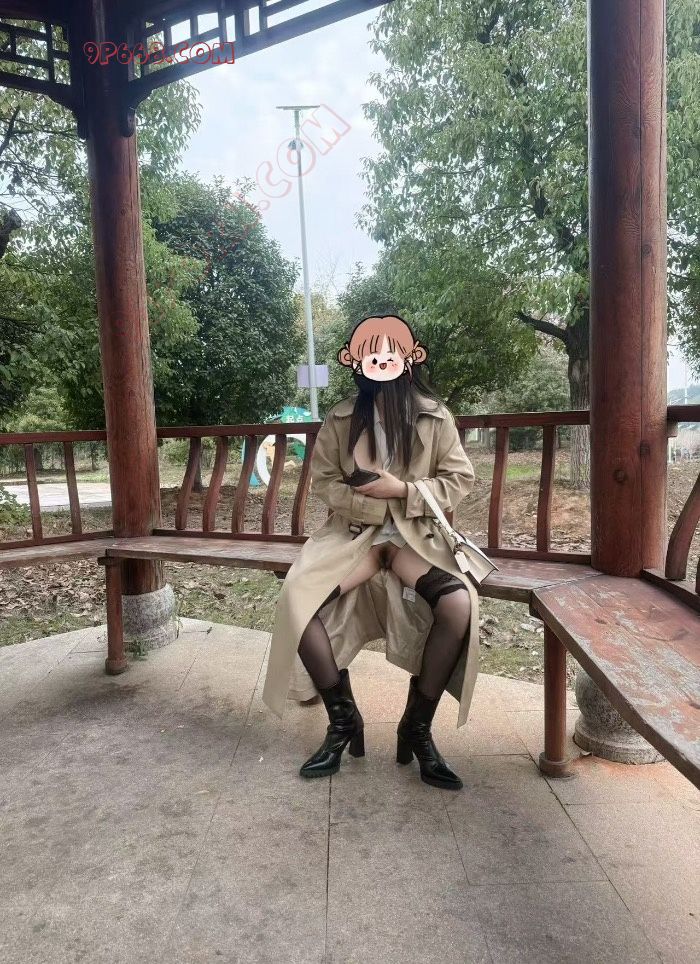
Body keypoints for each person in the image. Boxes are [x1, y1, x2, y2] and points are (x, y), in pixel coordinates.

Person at [260, 314, 496, 790]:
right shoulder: (341, 417)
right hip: (355, 537)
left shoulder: (435, 415)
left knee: (457, 604)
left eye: (390, 354)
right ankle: (343, 721)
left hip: (414, 538)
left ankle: (417, 729)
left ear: (410, 359)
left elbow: (459, 479)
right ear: (355, 362)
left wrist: (402, 491)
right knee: (298, 600)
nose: (381, 362)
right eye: (371, 355)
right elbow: (325, 481)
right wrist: (372, 505)